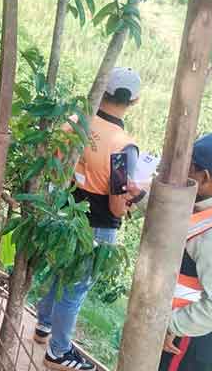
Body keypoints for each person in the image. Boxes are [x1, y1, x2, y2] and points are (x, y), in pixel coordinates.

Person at [34, 67, 144, 371]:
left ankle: (43, 324)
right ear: (133, 101)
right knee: (76, 288)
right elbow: (117, 206)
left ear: (104, 90)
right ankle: (58, 351)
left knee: (58, 273)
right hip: (97, 225)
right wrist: (134, 200)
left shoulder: (75, 122)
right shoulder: (122, 146)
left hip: (64, 212)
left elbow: (54, 166)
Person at [159, 132, 212, 371]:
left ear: (204, 179)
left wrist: (172, 325)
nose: (181, 174)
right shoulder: (206, 209)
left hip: (189, 341)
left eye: (188, 168)